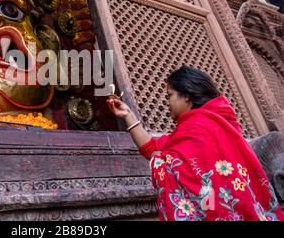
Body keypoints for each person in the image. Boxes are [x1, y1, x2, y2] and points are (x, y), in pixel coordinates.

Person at [107, 65, 284, 221]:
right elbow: (152, 148)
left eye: (170, 95)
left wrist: (160, 163)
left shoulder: (200, 127)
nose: (168, 102)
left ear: (186, 96)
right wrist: (128, 115)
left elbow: (161, 158)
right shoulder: (210, 123)